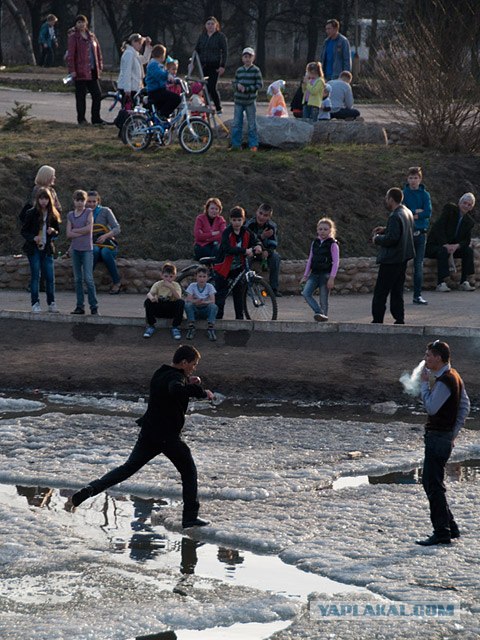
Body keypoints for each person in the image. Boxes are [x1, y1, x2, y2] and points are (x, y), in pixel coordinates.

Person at [71, 345, 214, 529]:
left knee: (127, 468)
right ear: (184, 362)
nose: (194, 368)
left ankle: (91, 489)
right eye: (193, 364)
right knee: (189, 473)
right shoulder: (175, 378)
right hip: (167, 437)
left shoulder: (160, 372)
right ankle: (190, 518)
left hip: (148, 432)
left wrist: (188, 381)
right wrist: (202, 392)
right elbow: (175, 390)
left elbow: (173, 387)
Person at [416, 340, 470, 546]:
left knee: (432, 484)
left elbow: (431, 408)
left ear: (439, 358)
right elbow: (465, 407)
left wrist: (423, 383)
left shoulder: (445, 380)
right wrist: (453, 434)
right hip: (443, 437)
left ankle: (442, 533)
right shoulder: (454, 375)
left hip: (438, 438)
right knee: (433, 482)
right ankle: (450, 528)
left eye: (429, 355)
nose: (425, 359)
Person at [371, 187, 415, 324]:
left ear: (391, 199)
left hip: (391, 260)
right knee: (397, 291)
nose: (386, 201)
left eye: (386, 198)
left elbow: (393, 239)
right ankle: (399, 318)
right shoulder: (407, 212)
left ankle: (377, 319)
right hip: (403, 258)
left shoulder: (395, 215)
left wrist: (377, 239)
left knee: (381, 292)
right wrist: (386, 229)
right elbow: (403, 231)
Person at [213, 206, 262, 319]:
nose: (237, 223)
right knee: (221, 294)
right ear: (230, 220)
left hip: (238, 267)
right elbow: (227, 248)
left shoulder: (246, 231)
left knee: (238, 294)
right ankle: (217, 318)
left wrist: (258, 246)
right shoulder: (227, 232)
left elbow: (256, 239)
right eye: (234, 220)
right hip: (224, 267)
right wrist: (244, 251)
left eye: (239, 220)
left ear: (243, 220)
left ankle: (239, 318)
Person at [21, 188, 61, 314]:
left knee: (50, 277)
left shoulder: (52, 214)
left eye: (46, 199)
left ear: (50, 200)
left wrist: (53, 231)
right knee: (35, 276)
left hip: (47, 248)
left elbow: (57, 231)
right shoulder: (31, 213)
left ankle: (51, 302)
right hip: (34, 248)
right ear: (37, 200)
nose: (43, 201)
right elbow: (24, 231)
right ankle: (35, 303)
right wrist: (33, 237)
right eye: (41, 199)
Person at [425, 193, 476, 292]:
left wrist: (457, 246)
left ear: (471, 207)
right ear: (459, 203)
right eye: (464, 203)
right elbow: (438, 228)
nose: (466, 206)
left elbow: (466, 240)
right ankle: (441, 283)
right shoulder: (450, 210)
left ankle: (464, 282)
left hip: (452, 247)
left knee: (468, 251)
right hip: (436, 245)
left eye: (469, 205)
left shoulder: (469, 222)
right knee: (443, 251)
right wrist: (445, 244)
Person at [402, 166, 432, 305]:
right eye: (411, 178)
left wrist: (414, 214)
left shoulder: (425, 195)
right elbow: (403, 211)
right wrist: (416, 212)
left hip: (420, 234)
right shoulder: (404, 193)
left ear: (420, 179)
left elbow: (428, 212)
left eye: (416, 178)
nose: (413, 181)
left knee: (418, 266)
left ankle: (417, 295)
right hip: (407, 233)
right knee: (401, 264)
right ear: (407, 179)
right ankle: (398, 292)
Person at [67, 14, 104, 126]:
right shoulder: (74, 38)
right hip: (80, 72)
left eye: (83, 22)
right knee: (81, 96)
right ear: (76, 24)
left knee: (97, 95)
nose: (81, 24)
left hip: (92, 70)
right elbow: (71, 55)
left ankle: (96, 118)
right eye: (79, 22)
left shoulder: (92, 36)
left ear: (86, 23)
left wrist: (100, 66)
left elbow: (98, 52)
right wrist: (72, 70)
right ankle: (81, 119)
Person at [300, 217, 339, 321]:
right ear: (317, 230)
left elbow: (336, 262)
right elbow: (310, 259)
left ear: (330, 230)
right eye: (320, 229)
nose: (322, 231)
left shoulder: (333, 244)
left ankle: (324, 318)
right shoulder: (315, 243)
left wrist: (332, 278)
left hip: (325, 274)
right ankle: (319, 312)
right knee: (306, 293)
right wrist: (305, 275)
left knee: (323, 299)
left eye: (325, 229)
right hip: (314, 273)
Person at [66, 189, 98, 315]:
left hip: (87, 250)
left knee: (88, 279)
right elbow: (68, 234)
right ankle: (80, 306)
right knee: (77, 279)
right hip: (75, 249)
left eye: (82, 200)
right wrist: (81, 231)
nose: (80, 203)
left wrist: (76, 231)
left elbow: (89, 229)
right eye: (77, 200)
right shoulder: (70, 215)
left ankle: (94, 306)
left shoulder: (88, 212)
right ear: (74, 201)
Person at [85, 191, 122, 294]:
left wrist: (105, 235)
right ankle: (88, 283)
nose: (91, 204)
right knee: (95, 251)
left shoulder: (105, 211)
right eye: (89, 202)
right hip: (92, 244)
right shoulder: (84, 212)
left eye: (94, 202)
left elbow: (117, 228)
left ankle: (117, 282)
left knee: (105, 252)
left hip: (107, 244)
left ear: (98, 201)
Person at [245, 203, 282, 296]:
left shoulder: (272, 226)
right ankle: (246, 287)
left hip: (265, 251)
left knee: (276, 258)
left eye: (265, 215)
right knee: (246, 260)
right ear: (257, 212)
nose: (261, 217)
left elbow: (274, 243)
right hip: (252, 250)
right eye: (260, 213)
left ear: (269, 217)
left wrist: (268, 251)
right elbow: (247, 240)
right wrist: (262, 236)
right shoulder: (250, 224)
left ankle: (273, 289)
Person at [230, 47, 263, 152]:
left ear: (253, 58)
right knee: (236, 123)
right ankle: (236, 144)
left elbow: (259, 85)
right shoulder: (239, 70)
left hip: (250, 101)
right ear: (242, 58)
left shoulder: (256, 70)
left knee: (252, 124)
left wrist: (248, 89)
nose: (247, 59)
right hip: (239, 101)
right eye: (245, 57)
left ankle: (253, 144)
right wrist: (237, 86)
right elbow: (234, 83)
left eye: (249, 57)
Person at [194, 16, 228, 114]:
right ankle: (206, 105)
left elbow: (225, 52)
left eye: (212, 24)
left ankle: (218, 107)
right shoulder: (202, 36)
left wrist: (222, 66)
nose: (210, 26)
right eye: (208, 24)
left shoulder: (220, 37)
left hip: (214, 66)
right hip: (203, 65)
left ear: (216, 25)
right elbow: (196, 51)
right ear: (205, 25)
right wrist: (192, 63)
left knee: (212, 86)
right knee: (203, 87)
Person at [143, 262, 184, 340]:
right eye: (166, 276)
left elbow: (178, 297)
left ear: (174, 277)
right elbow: (149, 294)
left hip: (171, 309)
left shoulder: (176, 285)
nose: (168, 279)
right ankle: (151, 325)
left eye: (171, 277)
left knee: (181, 302)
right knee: (147, 302)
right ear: (162, 276)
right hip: (160, 308)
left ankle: (175, 327)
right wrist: (152, 298)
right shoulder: (158, 284)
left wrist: (171, 288)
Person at [145, 44, 181, 118]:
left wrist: (172, 80)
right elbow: (159, 74)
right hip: (155, 91)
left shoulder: (158, 65)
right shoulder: (153, 64)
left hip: (159, 90)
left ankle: (163, 116)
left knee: (170, 99)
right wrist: (167, 75)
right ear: (162, 56)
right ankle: (162, 115)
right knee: (176, 99)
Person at [117, 33, 152, 105]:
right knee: (128, 110)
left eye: (141, 43)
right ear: (133, 42)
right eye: (139, 43)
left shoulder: (135, 54)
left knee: (132, 109)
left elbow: (144, 59)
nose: (140, 45)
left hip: (134, 87)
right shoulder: (129, 54)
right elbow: (127, 72)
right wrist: (127, 89)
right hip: (129, 88)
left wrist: (148, 47)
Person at [185, 266, 218, 342]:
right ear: (196, 277)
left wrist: (203, 302)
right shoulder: (192, 286)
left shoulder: (210, 286)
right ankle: (191, 327)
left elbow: (213, 301)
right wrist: (196, 301)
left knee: (213, 307)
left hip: (205, 310)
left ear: (207, 278)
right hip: (195, 310)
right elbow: (188, 299)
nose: (202, 279)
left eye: (204, 276)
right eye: (200, 276)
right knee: (187, 305)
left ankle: (210, 328)